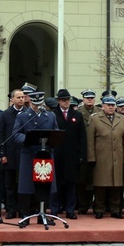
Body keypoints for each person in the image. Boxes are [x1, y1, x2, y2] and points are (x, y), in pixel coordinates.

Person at [14, 91, 59, 223]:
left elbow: (56, 132)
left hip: (44, 154)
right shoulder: (23, 116)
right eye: (34, 104)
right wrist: (27, 139)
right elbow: (16, 134)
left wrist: (51, 140)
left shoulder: (50, 116)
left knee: (44, 184)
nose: (36, 106)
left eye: (39, 104)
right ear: (30, 102)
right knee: (27, 186)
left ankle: (42, 214)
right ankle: (25, 214)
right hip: (29, 154)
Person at [87, 96, 124, 219]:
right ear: (103, 106)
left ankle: (115, 209)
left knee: (117, 185)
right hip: (101, 158)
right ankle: (99, 209)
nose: (111, 107)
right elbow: (90, 141)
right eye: (108, 105)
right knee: (100, 185)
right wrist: (91, 157)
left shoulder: (121, 119)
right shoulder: (95, 119)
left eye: (113, 105)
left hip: (117, 157)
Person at [51, 89, 87, 219]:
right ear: (59, 101)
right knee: (56, 184)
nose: (66, 102)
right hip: (57, 154)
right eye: (63, 100)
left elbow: (82, 137)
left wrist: (82, 155)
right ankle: (55, 208)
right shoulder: (53, 115)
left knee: (71, 184)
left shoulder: (77, 115)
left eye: (67, 99)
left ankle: (70, 210)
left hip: (72, 155)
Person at [0, 89, 26, 219]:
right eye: (18, 97)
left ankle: (22, 209)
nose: (21, 99)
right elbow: (1, 135)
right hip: (9, 154)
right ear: (12, 99)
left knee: (21, 184)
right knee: (9, 185)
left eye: (23, 97)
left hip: (24, 153)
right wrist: (2, 153)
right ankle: (11, 209)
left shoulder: (28, 113)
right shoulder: (5, 114)